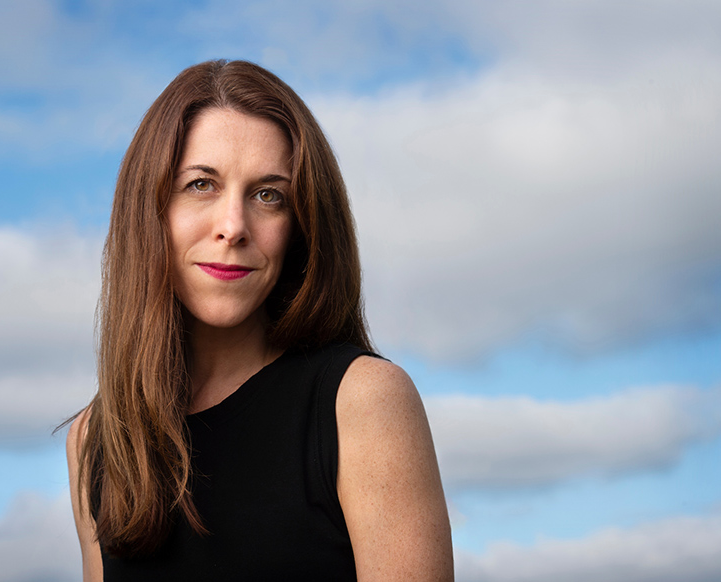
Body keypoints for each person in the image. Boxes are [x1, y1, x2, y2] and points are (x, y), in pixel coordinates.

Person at [65, 60, 454, 581]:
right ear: (150, 208)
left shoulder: (362, 401)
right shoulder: (98, 434)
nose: (233, 226)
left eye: (268, 195)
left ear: (301, 225)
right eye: (201, 184)